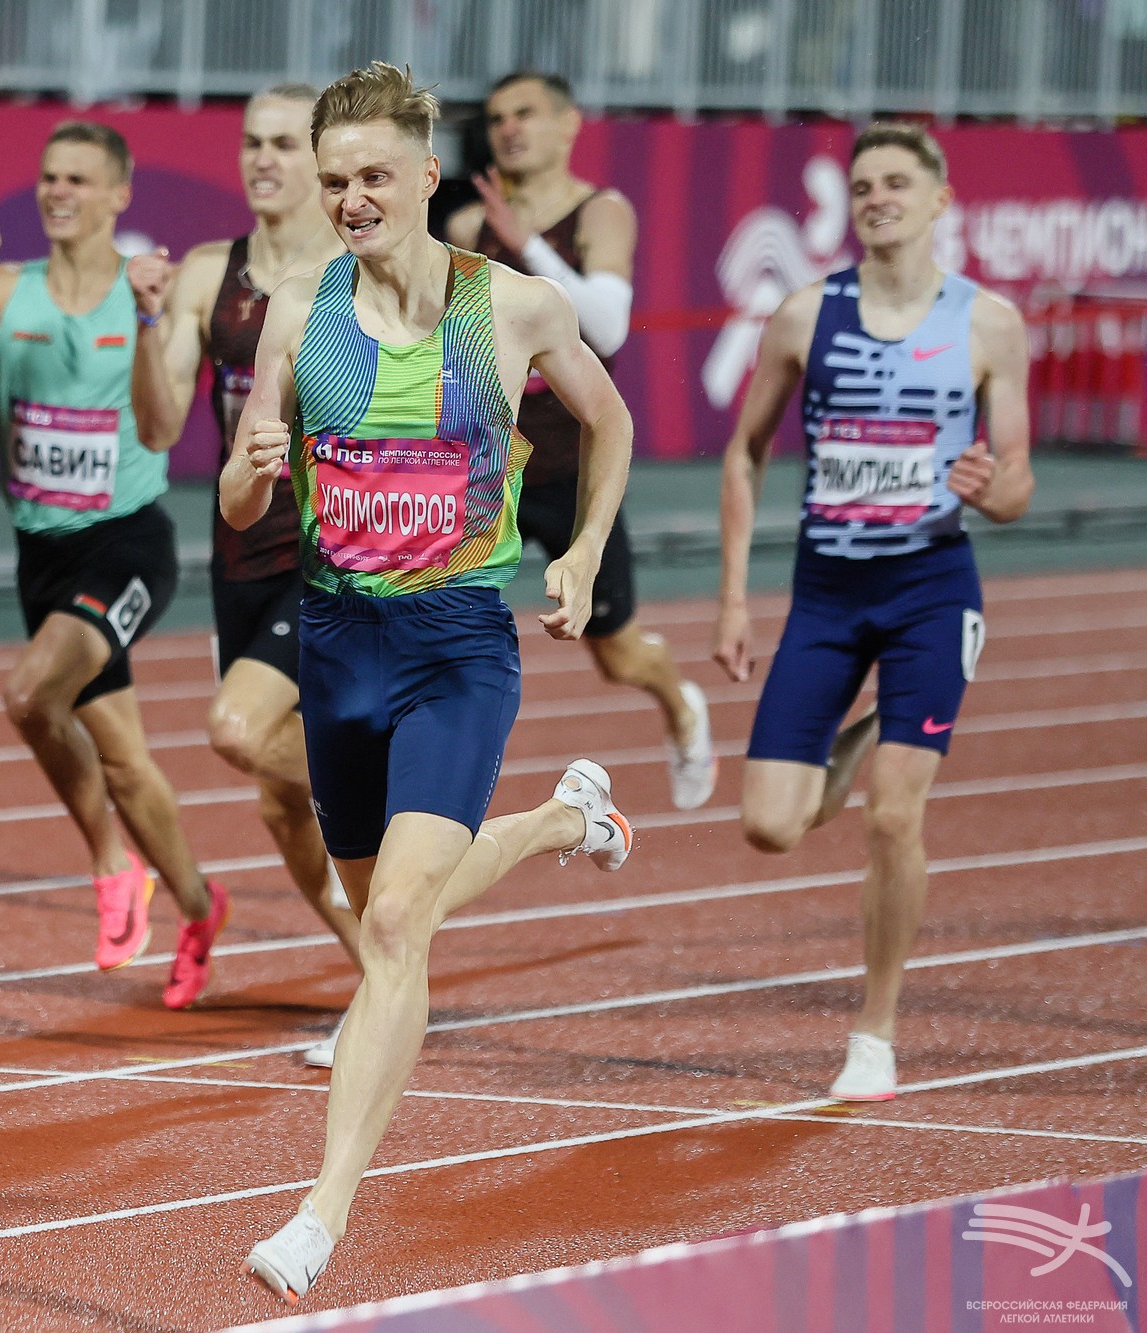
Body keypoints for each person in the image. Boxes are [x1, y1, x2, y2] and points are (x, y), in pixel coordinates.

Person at [228, 63, 636, 1303]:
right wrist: (252, 470)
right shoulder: (297, 311)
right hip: (336, 642)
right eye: (333, 179)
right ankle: (563, 821)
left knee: (397, 925)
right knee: (381, 917)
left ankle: (318, 1215)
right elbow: (240, 499)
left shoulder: (510, 306)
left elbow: (610, 421)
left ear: (423, 175)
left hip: (455, 642)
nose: (350, 198)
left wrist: (580, 548)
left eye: (372, 176)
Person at [714, 122, 1032, 1102]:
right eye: (862, 186)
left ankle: (874, 1032)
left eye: (897, 181)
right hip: (826, 593)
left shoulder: (987, 324)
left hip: (929, 588)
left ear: (939, 199)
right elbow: (744, 452)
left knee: (894, 813)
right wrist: (733, 596)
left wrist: (990, 488)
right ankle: (871, 729)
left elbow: (1018, 483)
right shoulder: (806, 314)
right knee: (772, 824)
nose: (877, 197)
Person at [0, 121, 230, 1011]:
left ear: (119, 194)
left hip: (127, 544)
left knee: (28, 695)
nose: (58, 191)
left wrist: (151, 321)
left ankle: (111, 864)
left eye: (80, 180)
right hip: (41, 553)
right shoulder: (3, 293)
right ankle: (200, 907)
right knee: (123, 762)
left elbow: (162, 431)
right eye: (50, 176)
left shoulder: (144, 291)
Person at [125, 84, 360, 1068]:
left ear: (320, 160)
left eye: (284, 144)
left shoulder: (356, 273)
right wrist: (148, 321)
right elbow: (155, 425)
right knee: (280, 805)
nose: (263, 159)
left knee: (234, 729)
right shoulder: (205, 276)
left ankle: (397, 821)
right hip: (241, 556)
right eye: (251, 142)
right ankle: (387, 976)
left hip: (336, 556)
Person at [444, 69, 716, 810]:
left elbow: (608, 328)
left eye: (525, 113)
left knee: (616, 654)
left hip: (571, 469)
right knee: (438, 626)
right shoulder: (466, 228)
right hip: (487, 471)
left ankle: (682, 705)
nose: (509, 128)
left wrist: (525, 245)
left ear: (568, 125)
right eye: (498, 117)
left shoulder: (602, 212)